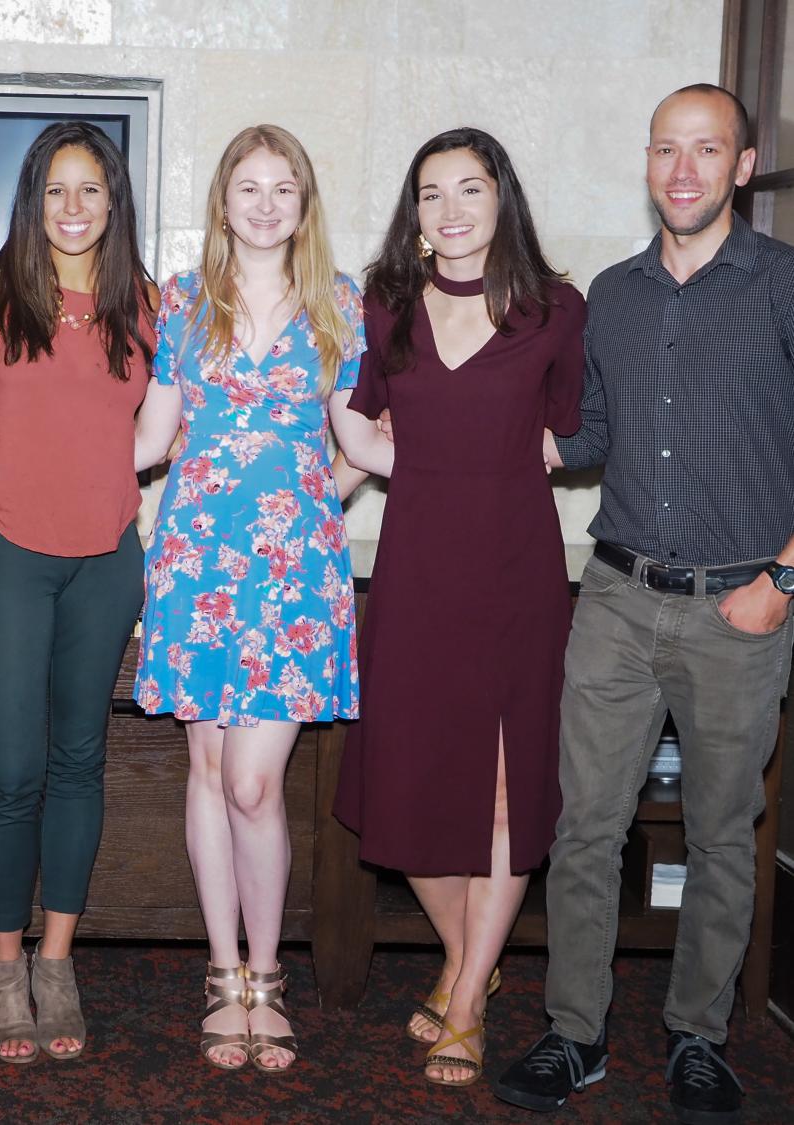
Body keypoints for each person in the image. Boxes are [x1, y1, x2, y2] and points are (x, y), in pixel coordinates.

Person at [493, 84, 794, 1124]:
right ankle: (575, 1035)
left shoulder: (784, 287)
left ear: (742, 167)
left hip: (739, 608)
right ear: (648, 159)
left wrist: (784, 582)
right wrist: (477, 431)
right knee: (585, 829)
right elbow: (586, 439)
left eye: (707, 151)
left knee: (719, 834)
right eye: (667, 149)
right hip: (615, 598)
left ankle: (698, 1039)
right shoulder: (611, 295)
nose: (683, 170)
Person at [327, 127, 586, 1087]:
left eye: (470, 189)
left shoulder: (558, 308)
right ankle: (464, 955)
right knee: (408, 780)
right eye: (431, 193)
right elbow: (358, 419)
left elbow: (577, 425)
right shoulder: (386, 303)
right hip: (416, 571)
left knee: (509, 791)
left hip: (519, 573)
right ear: (415, 213)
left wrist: (513, 462)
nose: (451, 210)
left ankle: (468, 998)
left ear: (501, 199)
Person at [133, 124, 365, 1073]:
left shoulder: (339, 305)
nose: (266, 204)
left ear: (304, 204)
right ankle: (223, 974)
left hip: (294, 580)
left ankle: (267, 978)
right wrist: (48, 466)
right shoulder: (182, 301)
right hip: (195, 565)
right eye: (248, 188)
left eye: (285, 189)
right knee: (205, 771)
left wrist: (307, 497)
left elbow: (356, 439)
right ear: (221, 201)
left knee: (253, 782)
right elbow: (152, 436)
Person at [0, 121, 155, 1065]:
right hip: (7, 551)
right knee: (14, 768)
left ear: (114, 202)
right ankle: (4, 965)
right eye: (54, 191)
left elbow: (159, 429)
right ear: (32, 200)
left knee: (82, 759)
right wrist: (6, 473)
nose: (73, 209)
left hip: (108, 555)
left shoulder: (145, 303)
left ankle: (58, 961)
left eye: (91, 191)